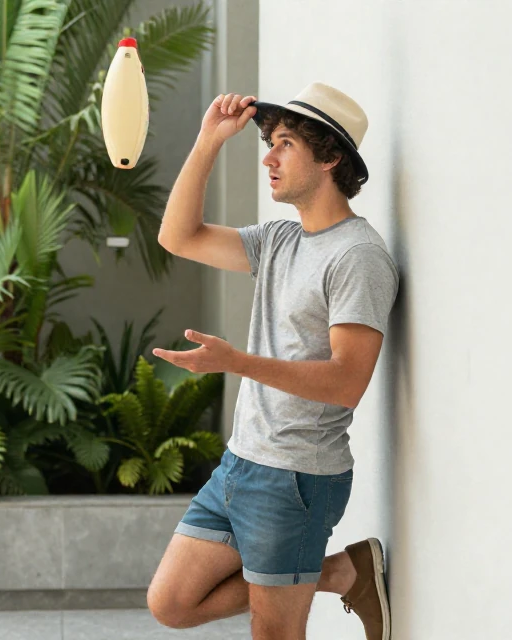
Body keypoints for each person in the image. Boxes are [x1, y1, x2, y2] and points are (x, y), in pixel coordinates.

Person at [149, 82, 399, 640]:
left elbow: (346, 382)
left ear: (331, 157)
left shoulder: (358, 257)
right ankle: (340, 571)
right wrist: (208, 141)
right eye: (271, 142)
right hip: (242, 462)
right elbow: (177, 235)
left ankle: (333, 569)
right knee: (171, 603)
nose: (269, 157)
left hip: (297, 477)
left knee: (275, 633)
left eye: (285, 143)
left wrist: (235, 362)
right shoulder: (280, 241)